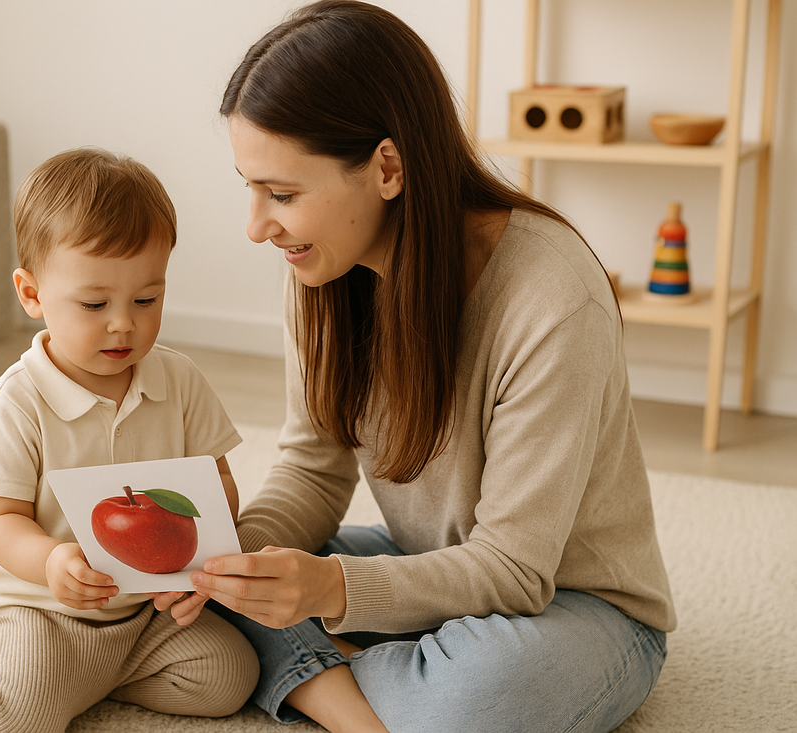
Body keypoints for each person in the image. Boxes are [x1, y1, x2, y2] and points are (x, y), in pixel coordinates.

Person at [185, 2, 677, 732]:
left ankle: (321, 671)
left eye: (282, 194)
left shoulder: (552, 296)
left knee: (474, 700)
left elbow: (513, 569)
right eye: (249, 186)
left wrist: (325, 590)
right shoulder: (322, 271)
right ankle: (360, 692)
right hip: (431, 561)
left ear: (387, 166)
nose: (256, 225)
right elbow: (313, 468)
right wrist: (233, 555)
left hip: (573, 602)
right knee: (216, 597)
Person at [0, 148, 259, 731]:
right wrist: (53, 559)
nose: (123, 323)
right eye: (94, 304)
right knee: (6, 719)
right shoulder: (14, 403)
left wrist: (204, 549)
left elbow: (219, 483)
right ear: (32, 295)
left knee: (229, 677)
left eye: (147, 299)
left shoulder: (180, 380)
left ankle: (94, 681)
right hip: (43, 610)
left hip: (144, 613)